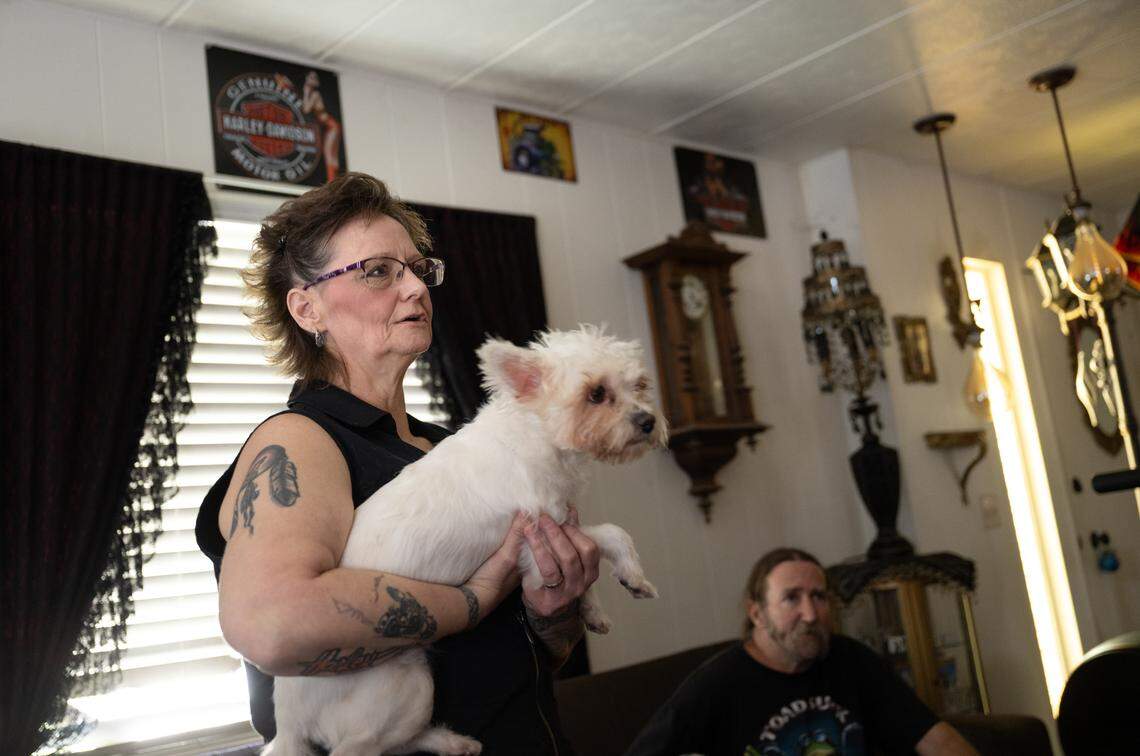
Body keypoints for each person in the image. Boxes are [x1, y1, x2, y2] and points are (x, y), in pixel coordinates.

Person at [194, 172, 599, 754]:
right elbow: (271, 625)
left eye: (418, 268)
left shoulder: (450, 449)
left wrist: (552, 615)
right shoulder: (298, 442)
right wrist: (474, 599)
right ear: (307, 308)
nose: (415, 288)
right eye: (379, 271)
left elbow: (526, 659)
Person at [625, 548, 978, 756]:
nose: (810, 615)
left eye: (819, 597)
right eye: (791, 598)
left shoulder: (851, 660)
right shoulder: (719, 683)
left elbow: (937, 740)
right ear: (756, 613)